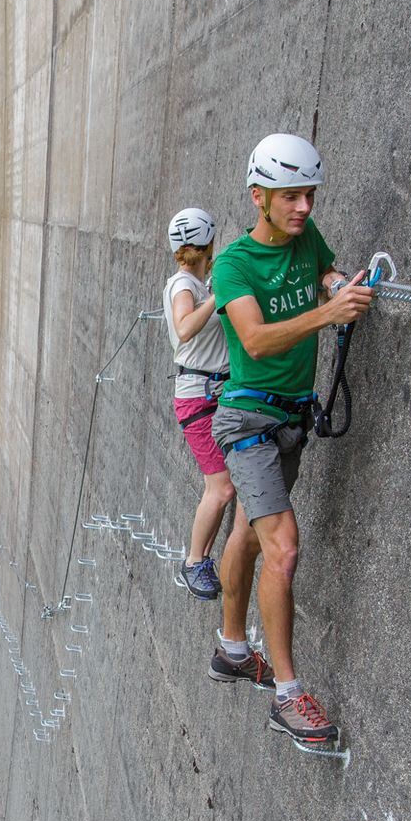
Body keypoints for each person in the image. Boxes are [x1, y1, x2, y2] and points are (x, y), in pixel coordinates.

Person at [205, 133, 372, 747]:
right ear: (260, 197)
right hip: (246, 423)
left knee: (248, 532)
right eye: (292, 196)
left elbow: (323, 268)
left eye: (310, 194)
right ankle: (288, 696)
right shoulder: (234, 264)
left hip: (291, 421)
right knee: (283, 547)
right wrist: (329, 315)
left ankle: (230, 648)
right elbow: (254, 340)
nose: (304, 206)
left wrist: (331, 284)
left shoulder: (307, 238)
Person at [162, 208, 235, 602]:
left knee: (226, 484)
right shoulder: (183, 285)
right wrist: (218, 298)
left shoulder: (194, 283)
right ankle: (194, 561)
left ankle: (200, 559)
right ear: (209, 243)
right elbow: (186, 326)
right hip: (200, 400)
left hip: (211, 394)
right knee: (221, 488)